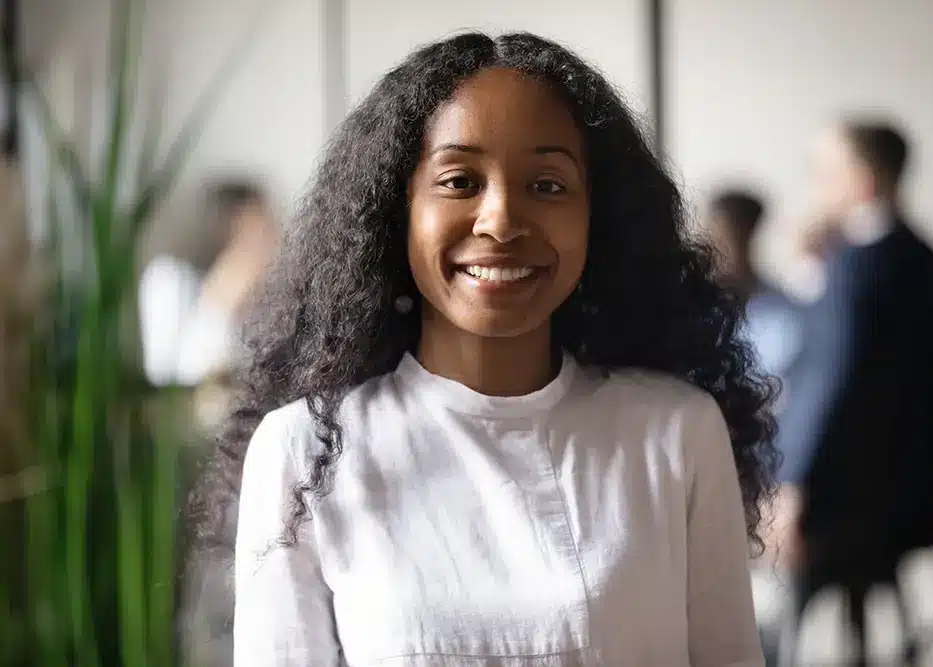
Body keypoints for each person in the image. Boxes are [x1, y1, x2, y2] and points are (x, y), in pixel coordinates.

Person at [198, 32, 778, 666]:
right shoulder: (303, 452)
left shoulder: (676, 432)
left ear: (598, 218)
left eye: (548, 185)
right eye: (459, 180)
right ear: (397, 211)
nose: (500, 220)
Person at [775, 120, 933, 666]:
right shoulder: (925, 260)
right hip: (905, 499)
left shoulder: (856, 267)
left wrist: (792, 484)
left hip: (842, 502)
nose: (814, 186)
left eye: (822, 172)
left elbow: (826, 383)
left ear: (859, 181)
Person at [139, 181, 278, 388]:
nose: (267, 240)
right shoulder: (169, 277)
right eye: (255, 230)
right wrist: (221, 303)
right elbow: (168, 375)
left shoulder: (268, 292)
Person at [708, 189, 803, 384]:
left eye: (731, 240)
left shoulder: (782, 312)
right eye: (716, 239)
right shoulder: (696, 307)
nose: (723, 251)